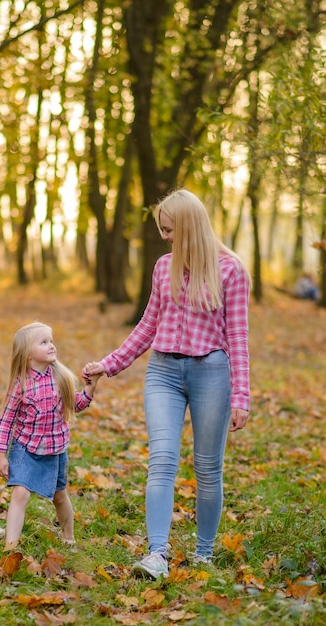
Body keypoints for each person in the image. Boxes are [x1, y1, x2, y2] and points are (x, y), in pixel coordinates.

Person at [83, 188, 250, 579]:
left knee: (208, 468)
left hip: (212, 373)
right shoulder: (163, 267)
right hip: (162, 374)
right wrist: (110, 364)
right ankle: (156, 554)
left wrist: (241, 394)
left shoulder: (231, 271)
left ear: (190, 227)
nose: (165, 237)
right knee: (161, 462)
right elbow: (147, 325)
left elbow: (238, 337)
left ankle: (204, 553)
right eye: (162, 229)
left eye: (170, 229)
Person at [0, 322, 100, 550]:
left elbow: (77, 405)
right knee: (20, 493)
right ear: (27, 353)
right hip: (25, 448)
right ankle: (9, 548)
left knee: (59, 496)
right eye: (43, 342)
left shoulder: (61, 378)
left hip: (55, 451)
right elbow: (6, 420)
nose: (51, 345)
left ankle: (68, 537)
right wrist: (1, 455)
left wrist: (91, 387)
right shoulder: (20, 384)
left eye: (51, 340)